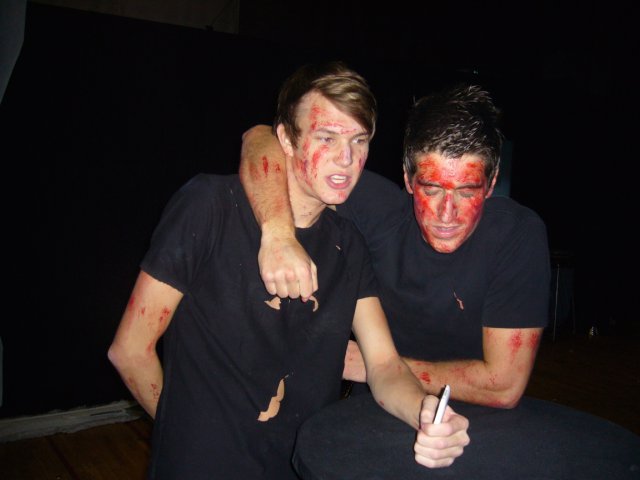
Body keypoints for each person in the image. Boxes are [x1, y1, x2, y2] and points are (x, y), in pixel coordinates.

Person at [108, 61, 470, 480]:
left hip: (301, 466)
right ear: (285, 138)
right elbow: (130, 350)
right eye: (327, 138)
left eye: (359, 140)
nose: (346, 158)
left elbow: (384, 364)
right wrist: (182, 431)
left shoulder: (348, 244)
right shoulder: (210, 206)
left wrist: (423, 410)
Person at [239, 84, 551, 408]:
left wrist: (370, 364)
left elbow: (503, 386)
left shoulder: (515, 235)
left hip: (479, 424)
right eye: (431, 189)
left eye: (466, 191)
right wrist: (278, 236)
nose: (447, 213)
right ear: (407, 178)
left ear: (492, 182)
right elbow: (260, 138)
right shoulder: (382, 211)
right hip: (376, 411)